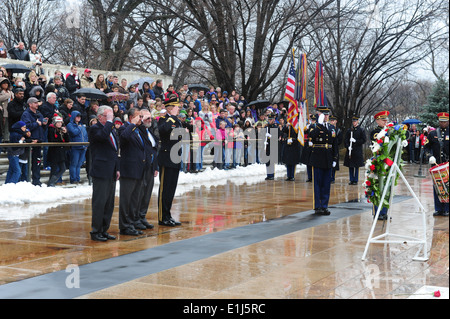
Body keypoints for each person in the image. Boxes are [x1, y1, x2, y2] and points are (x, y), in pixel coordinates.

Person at [88, 105, 120, 241]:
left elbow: (115, 150)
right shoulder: (95, 128)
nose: (110, 119)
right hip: (101, 170)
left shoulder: (110, 129)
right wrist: (109, 123)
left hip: (111, 169)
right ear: (100, 116)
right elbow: (101, 137)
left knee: (109, 203)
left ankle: (104, 229)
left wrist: (117, 168)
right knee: (99, 202)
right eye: (108, 116)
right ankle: (96, 231)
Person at [118, 108, 147, 236]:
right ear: (130, 117)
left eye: (141, 117)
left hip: (138, 169)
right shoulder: (124, 128)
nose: (140, 119)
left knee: (135, 199)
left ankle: (132, 223)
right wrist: (132, 124)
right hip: (128, 170)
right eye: (138, 116)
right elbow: (124, 137)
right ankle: (124, 225)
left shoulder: (137, 130)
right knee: (126, 200)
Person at [157, 97, 183, 226]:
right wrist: (171, 117)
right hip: (166, 158)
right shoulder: (164, 119)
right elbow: (163, 130)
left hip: (175, 158)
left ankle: (168, 215)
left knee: (171, 189)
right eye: (176, 107)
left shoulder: (177, 120)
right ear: (170, 108)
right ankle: (162, 217)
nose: (179, 108)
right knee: (164, 190)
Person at [308, 107, 338, 215]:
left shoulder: (331, 127)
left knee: (326, 184)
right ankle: (317, 206)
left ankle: (325, 205)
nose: (326, 116)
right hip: (317, 157)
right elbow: (312, 136)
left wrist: (335, 158)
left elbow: (334, 144)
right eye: (323, 114)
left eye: (327, 114)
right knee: (318, 184)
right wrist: (319, 125)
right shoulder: (314, 126)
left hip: (328, 157)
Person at [136, 109, 159, 229]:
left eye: (150, 118)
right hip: (142, 167)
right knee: (140, 193)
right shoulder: (138, 131)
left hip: (150, 166)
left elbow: (154, 149)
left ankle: (142, 215)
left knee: (147, 193)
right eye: (147, 118)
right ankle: (136, 218)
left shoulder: (149, 131)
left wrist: (155, 166)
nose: (150, 120)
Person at [424, 112, 449, 217]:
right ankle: (438, 209)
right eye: (441, 121)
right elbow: (426, 147)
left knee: (447, 187)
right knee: (437, 187)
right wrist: (430, 156)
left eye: (445, 121)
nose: (443, 123)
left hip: (447, 164)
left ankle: (447, 209)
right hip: (436, 165)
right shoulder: (433, 134)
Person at [21, 97, 48, 186]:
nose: (37, 104)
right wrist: (36, 123)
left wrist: (43, 124)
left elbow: (41, 126)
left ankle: (37, 180)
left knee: (37, 161)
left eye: (37, 103)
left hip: (39, 140)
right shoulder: (26, 114)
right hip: (30, 141)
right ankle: (26, 180)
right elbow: (26, 126)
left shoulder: (39, 114)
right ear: (30, 104)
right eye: (35, 103)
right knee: (27, 162)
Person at [370, 110, 390, 220]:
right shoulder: (375, 131)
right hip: (378, 163)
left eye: (386, 120)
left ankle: (384, 211)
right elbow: (378, 139)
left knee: (387, 187)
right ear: (377, 121)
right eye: (383, 120)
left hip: (387, 162)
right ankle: (377, 212)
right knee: (377, 187)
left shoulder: (388, 130)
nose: (385, 122)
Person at [47, 115, 69, 187]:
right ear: (55, 123)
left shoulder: (62, 130)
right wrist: (60, 134)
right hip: (54, 152)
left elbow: (67, 141)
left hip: (61, 152)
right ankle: (51, 183)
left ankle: (52, 181)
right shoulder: (51, 129)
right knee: (54, 168)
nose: (60, 124)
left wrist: (65, 133)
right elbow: (53, 140)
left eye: (60, 122)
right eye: (58, 122)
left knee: (63, 168)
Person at [66, 110, 88, 184]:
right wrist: (79, 128)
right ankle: (73, 179)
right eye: (77, 116)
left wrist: (86, 145)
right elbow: (73, 132)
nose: (79, 118)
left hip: (83, 147)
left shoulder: (82, 125)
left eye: (79, 116)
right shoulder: (70, 125)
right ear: (74, 117)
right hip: (75, 147)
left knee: (79, 165)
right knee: (74, 164)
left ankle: (77, 179)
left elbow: (85, 136)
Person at [343, 116, 366, 185]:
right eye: (353, 121)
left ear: (358, 121)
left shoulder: (361, 130)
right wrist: (348, 146)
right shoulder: (349, 130)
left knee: (356, 166)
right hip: (351, 150)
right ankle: (351, 179)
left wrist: (356, 141)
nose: (354, 123)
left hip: (357, 151)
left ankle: (355, 180)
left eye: (355, 121)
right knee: (350, 166)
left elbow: (364, 140)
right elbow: (346, 140)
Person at [300, 114, 316, 182]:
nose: (312, 121)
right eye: (312, 120)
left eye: (314, 120)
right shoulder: (308, 126)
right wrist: (305, 128)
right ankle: (309, 177)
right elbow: (304, 132)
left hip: (314, 145)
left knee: (314, 163)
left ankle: (314, 177)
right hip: (308, 146)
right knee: (308, 162)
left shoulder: (317, 127)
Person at [264, 113, 279, 180]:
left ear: (273, 120)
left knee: (271, 161)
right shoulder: (266, 127)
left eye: (271, 119)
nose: (270, 121)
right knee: (267, 161)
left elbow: (276, 137)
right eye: (269, 119)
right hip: (267, 146)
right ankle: (268, 174)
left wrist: (270, 136)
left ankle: (272, 174)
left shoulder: (275, 127)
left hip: (272, 146)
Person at [329, 115, 343, 183]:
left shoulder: (338, 130)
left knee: (334, 163)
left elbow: (340, 140)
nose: (332, 122)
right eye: (331, 120)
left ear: (336, 121)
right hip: (328, 147)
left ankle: (332, 177)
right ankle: (328, 177)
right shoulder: (328, 128)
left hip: (335, 148)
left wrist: (335, 142)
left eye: (333, 120)